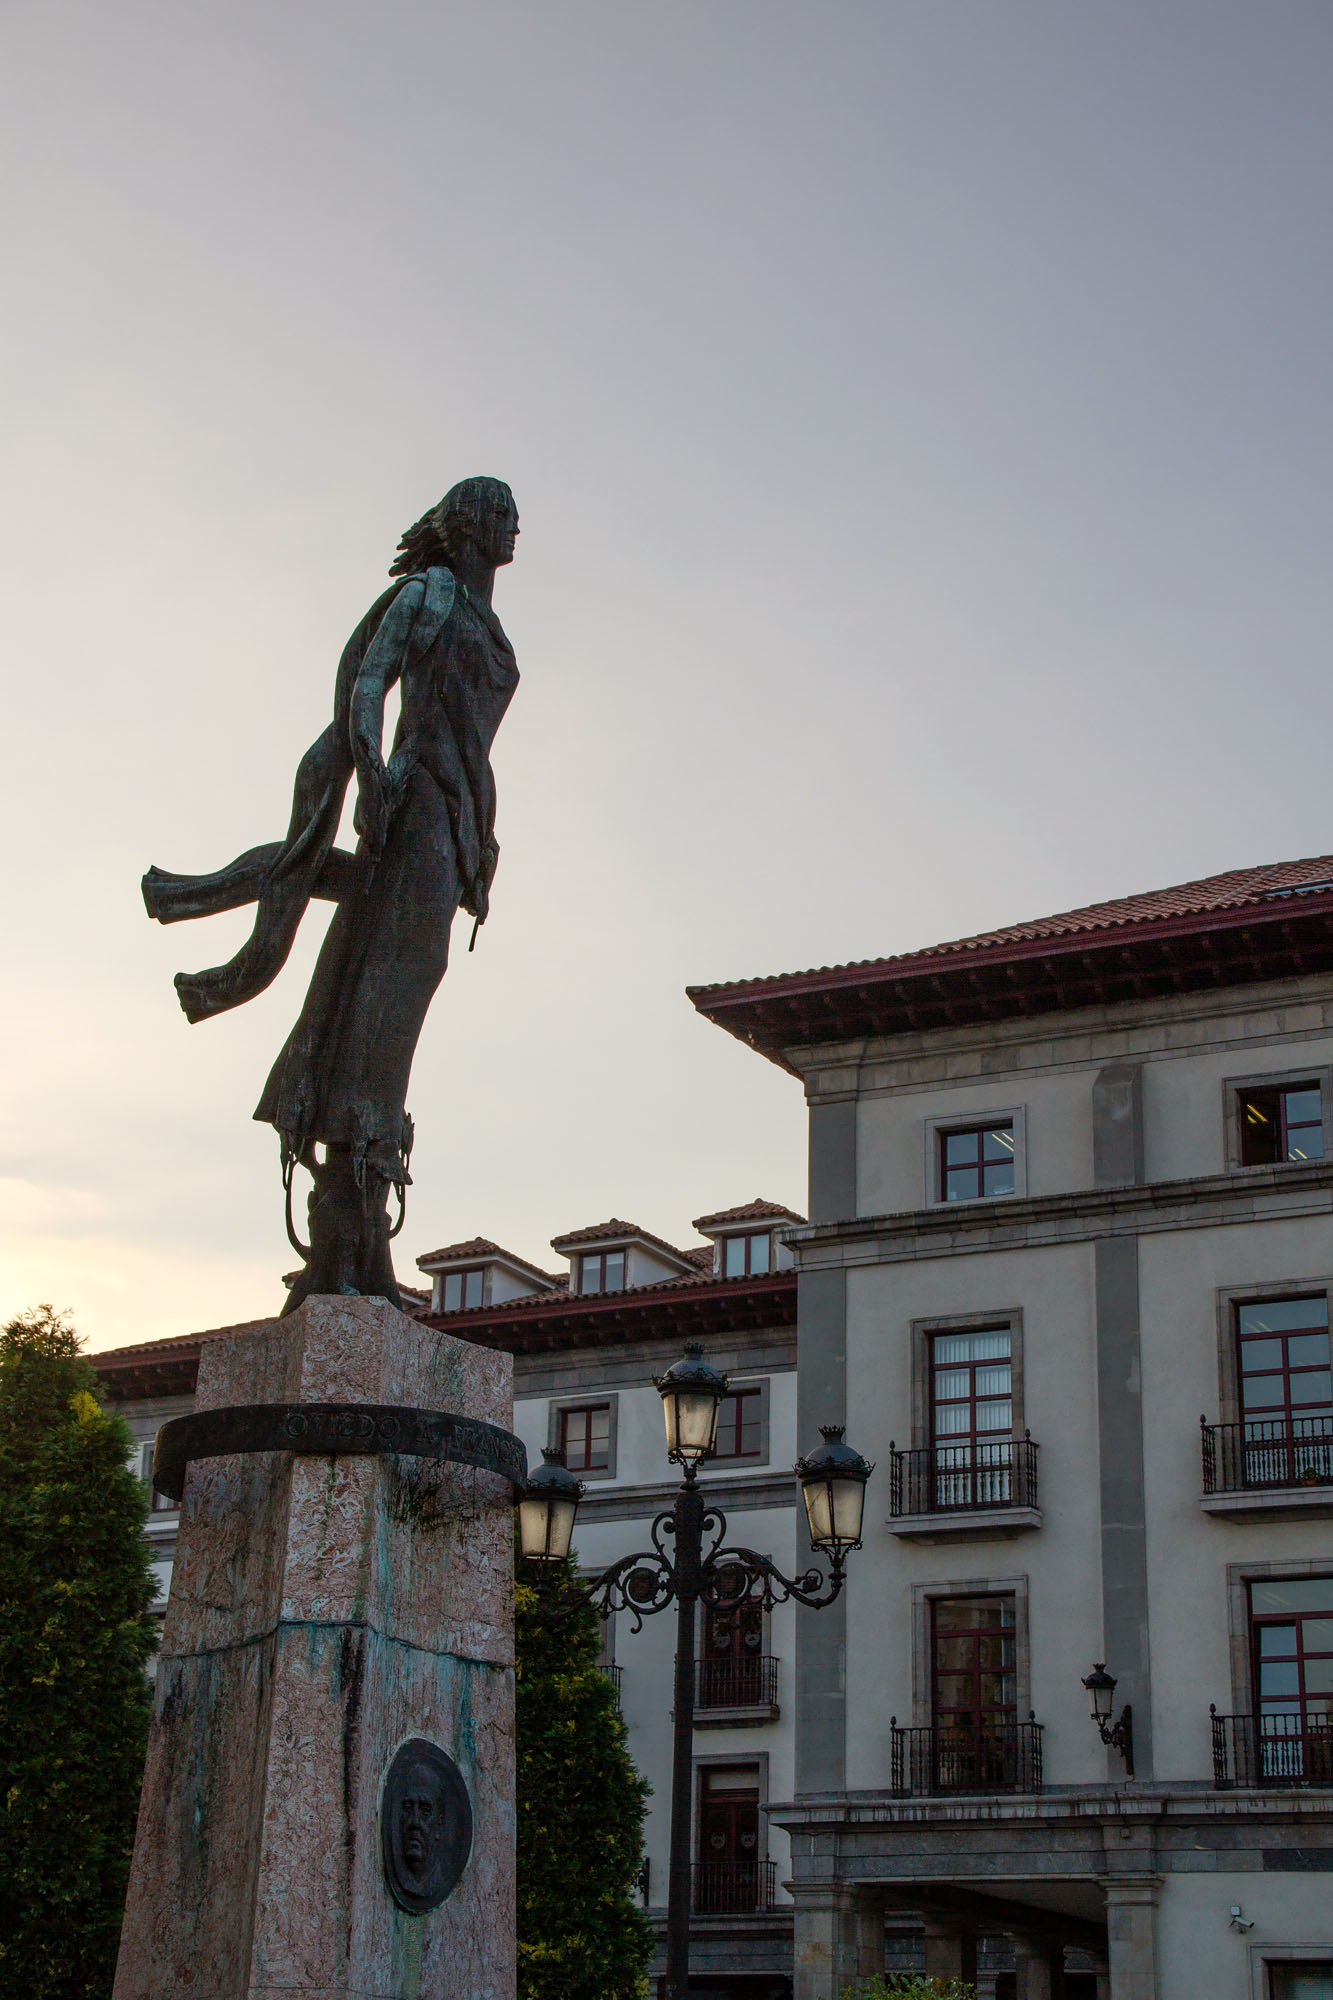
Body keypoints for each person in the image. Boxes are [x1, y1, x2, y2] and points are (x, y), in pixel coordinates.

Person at [142, 477, 520, 1310]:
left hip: (455, 823)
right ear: (459, 528)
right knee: (380, 998)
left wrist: (482, 844)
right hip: (418, 799)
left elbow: (479, 745)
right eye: (494, 511)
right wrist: (374, 775)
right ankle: (346, 1229)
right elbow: (366, 683)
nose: (511, 525)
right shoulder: (428, 594)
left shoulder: (487, 624)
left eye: (512, 513)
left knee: (402, 993)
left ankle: (358, 1223)